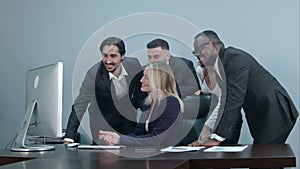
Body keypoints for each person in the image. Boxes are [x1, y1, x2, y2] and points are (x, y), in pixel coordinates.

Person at [189, 30, 298, 147]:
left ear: (214, 46)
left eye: (200, 49)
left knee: (265, 159)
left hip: (276, 111)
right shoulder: (222, 65)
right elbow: (224, 102)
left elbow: (234, 99)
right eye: (195, 51)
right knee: (264, 158)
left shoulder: (234, 59)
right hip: (263, 114)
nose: (197, 54)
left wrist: (217, 138)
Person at [64, 37, 142, 144]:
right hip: (102, 123)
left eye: (113, 56)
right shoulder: (93, 74)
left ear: (123, 56)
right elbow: (80, 104)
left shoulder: (134, 65)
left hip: (127, 121)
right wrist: (69, 137)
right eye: (105, 55)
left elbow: (142, 92)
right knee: (102, 158)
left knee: (129, 155)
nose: (108, 61)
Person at [98, 62, 184, 146]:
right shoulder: (148, 102)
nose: (141, 80)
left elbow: (156, 140)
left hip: (169, 157)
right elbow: (138, 133)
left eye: (147, 77)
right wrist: (116, 139)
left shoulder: (171, 102)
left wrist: (120, 140)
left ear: (158, 80)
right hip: (152, 154)